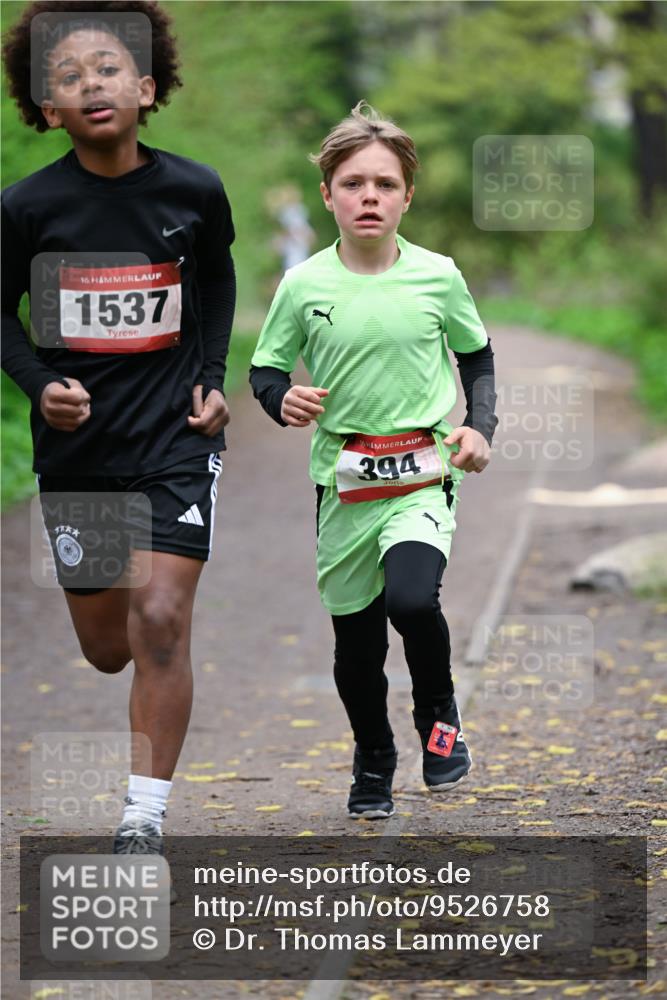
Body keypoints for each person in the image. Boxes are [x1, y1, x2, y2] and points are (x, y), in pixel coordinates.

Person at [1, 1, 236, 852]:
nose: (89, 83)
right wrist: (38, 381)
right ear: (46, 108)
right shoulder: (26, 208)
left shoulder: (193, 190)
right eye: (66, 76)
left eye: (106, 68)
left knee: (163, 620)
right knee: (107, 648)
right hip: (80, 453)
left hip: (176, 440)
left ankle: (143, 817)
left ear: (144, 86)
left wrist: (212, 380)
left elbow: (214, 286)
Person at [250, 102, 497, 820]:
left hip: (421, 467)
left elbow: (475, 353)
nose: (369, 197)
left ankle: (438, 717)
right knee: (355, 643)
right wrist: (282, 400)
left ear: (406, 196)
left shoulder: (436, 274)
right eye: (353, 183)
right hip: (342, 477)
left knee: (413, 600)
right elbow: (265, 371)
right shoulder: (302, 285)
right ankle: (373, 754)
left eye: (384, 184)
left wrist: (477, 427)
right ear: (326, 194)